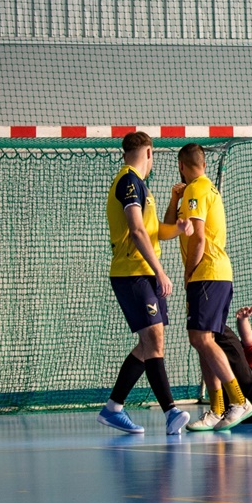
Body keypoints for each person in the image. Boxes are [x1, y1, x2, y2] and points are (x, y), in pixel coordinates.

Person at [99, 131, 192, 436]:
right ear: (149, 152)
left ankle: (113, 408)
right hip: (133, 272)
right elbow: (137, 232)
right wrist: (161, 271)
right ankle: (171, 411)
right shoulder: (128, 181)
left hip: (144, 272)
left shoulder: (142, 186)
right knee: (153, 340)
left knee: (149, 343)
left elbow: (151, 232)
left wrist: (175, 229)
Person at [163, 143, 252, 432]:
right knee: (200, 338)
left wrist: (189, 274)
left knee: (202, 339)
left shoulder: (197, 190)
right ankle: (216, 409)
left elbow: (199, 239)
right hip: (215, 274)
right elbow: (167, 230)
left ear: (181, 165)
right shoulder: (201, 189)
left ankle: (238, 400)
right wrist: (173, 197)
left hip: (208, 273)